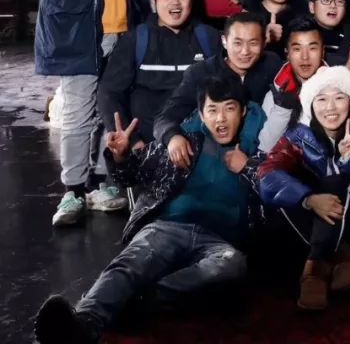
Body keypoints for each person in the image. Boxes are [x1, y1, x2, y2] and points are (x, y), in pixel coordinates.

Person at [33, 76, 266, 344]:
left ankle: (138, 301)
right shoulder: (184, 141)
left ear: (243, 112)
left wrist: (247, 166)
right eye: (213, 110)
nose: (221, 118)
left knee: (231, 264)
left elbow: (273, 191)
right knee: (129, 264)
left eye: (229, 108)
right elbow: (130, 175)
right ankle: (83, 324)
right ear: (202, 115)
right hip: (167, 228)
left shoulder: (255, 149)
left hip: (218, 241)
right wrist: (121, 155)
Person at [22, 0, 144, 225]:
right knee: (78, 114)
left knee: (110, 110)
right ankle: (73, 189)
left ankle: (101, 182)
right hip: (80, 34)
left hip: (120, 32)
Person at [258, 66, 350, 310]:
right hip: (320, 222)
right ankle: (344, 257)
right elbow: (267, 175)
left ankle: (315, 270)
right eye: (321, 99)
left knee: (335, 180)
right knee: (286, 189)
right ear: (311, 105)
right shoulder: (298, 136)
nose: (330, 107)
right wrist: (308, 199)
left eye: (339, 98)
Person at [98, 0, 221, 147]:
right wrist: (131, 140)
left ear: (191, 2)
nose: (175, 2)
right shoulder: (136, 39)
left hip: (197, 139)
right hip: (145, 142)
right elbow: (109, 92)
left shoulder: (208, 38)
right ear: (153, 2)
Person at [153, 13, 281, 163]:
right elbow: (165, 118)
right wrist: (172, 137)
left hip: (259, 152)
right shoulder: (200, 73)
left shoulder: (271, 65)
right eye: (237, 43)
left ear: (264, 43)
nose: (245, 51)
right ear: (224, 41)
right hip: (210, 155)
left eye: (253, 43)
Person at [258, 18, 327, 152]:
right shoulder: (275, 95)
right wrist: (282, 111)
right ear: (287, 53)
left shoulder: (338, 89)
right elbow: (265, 148)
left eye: (312, 48)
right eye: (297, 49)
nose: (305, 57)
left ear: (323, 51)